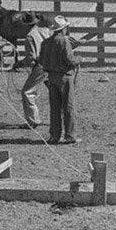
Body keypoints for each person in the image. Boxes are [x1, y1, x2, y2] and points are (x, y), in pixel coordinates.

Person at [38, 15, 79, 144]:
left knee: (54, 107)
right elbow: (69, 59)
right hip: (65, 77)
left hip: (51, 77)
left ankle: (55, 135)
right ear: (63, 29)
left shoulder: (46, 42)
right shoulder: (64, 41)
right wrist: (79, 59)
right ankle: (70, 136)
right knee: (68, 107)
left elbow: (41, 61)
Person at [20, 18, 53, 129]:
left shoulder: (30, 36)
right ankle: (62, 117)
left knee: (27, 92)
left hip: (41, 66)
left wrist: (19, 63)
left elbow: (31, 59)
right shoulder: (46, 30)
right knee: (55, 91)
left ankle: (33, 120)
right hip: (53, 65)